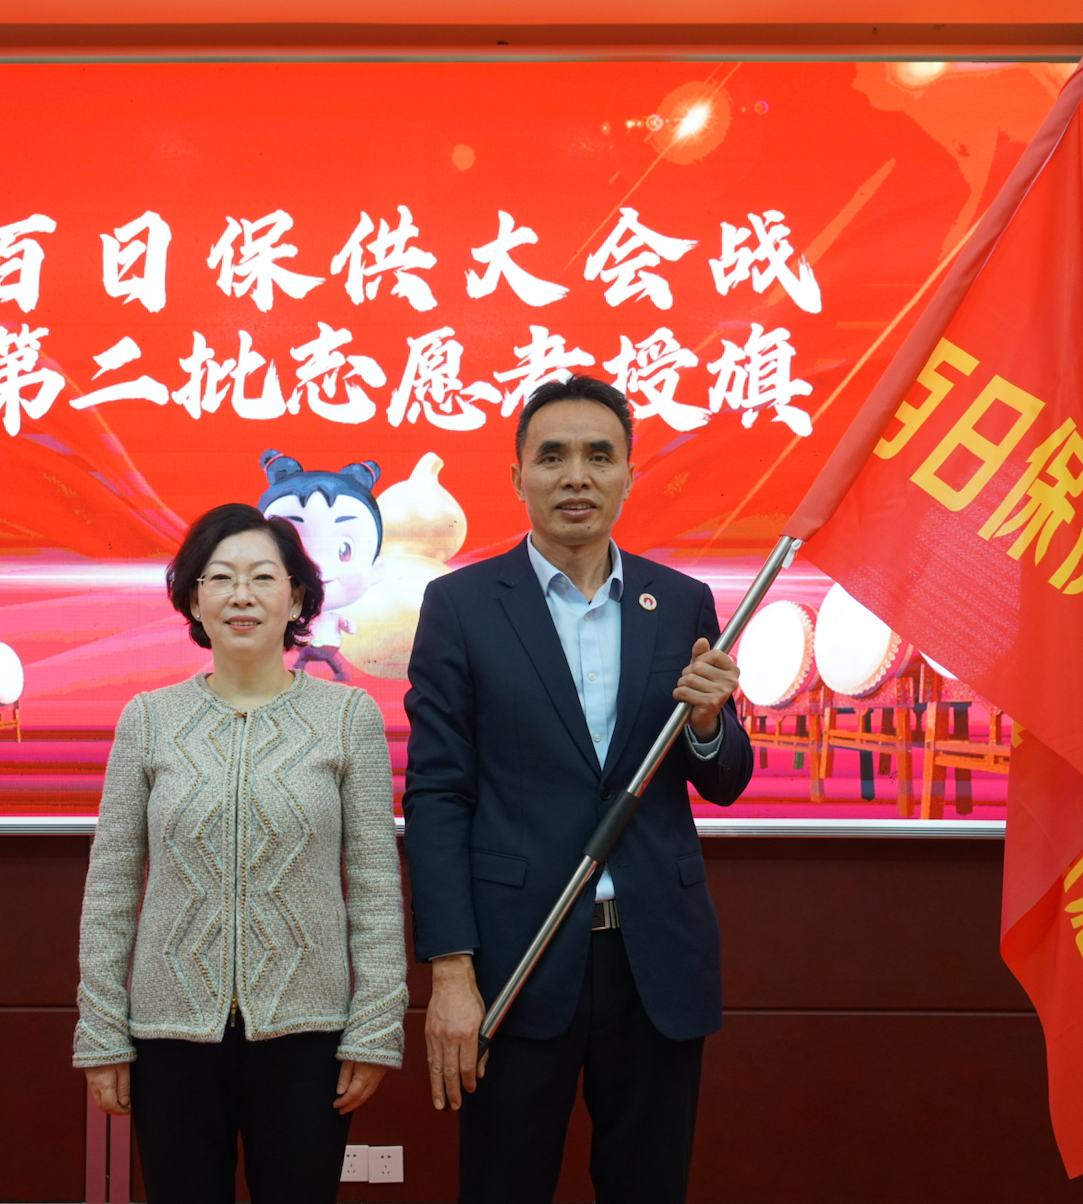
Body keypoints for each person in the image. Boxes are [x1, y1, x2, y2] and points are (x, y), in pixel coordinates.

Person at [403, 376, 753, 1203]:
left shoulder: (681, 603)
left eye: (600, 456)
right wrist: (450, 972)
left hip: (654, 958)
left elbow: (725, 779)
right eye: (552, 456)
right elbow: (438, 794)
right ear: (518, 476)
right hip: (517, 959)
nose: (576, 476)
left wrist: (709, 723)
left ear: (629, 474)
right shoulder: (461, 606)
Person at [75, 502, 408, 1204]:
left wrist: (375, 1026)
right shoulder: (149, 719)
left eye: (262, 577)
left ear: (297, 597)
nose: (242, 596)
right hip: (169, 1036)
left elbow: (376, 885)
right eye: (220, 578)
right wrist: (102, 1031)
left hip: (309, 1038)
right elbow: (110, 887)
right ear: (195, 599)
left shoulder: (348, 718)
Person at [258, 450, 384, 683]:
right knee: (300, 661)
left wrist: (346, 624)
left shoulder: (333, 616)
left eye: (345, 551)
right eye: (296, 550)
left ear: (376, 568)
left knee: (331, 662)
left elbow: (344, 623)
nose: (320, 570)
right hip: (303, 647)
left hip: (328, 645)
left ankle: (336, 673)